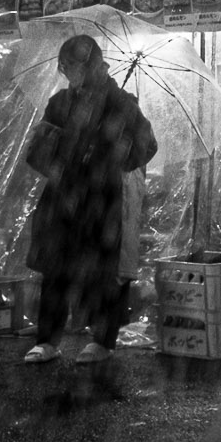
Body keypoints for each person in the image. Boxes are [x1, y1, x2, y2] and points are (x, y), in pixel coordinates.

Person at [23, 35, 158, 366]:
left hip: (102, 199)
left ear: (96, 66)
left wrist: (114, 154)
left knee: (103, 273)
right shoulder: (59, 104)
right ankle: (47, 340)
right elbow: (36, 151)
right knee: (55, 270)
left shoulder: (122, 104)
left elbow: (146, 147)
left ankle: (103, 340)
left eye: (74, 67)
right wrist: (59, 156)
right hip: (63, 197)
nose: (68, 74)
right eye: (64, 67)